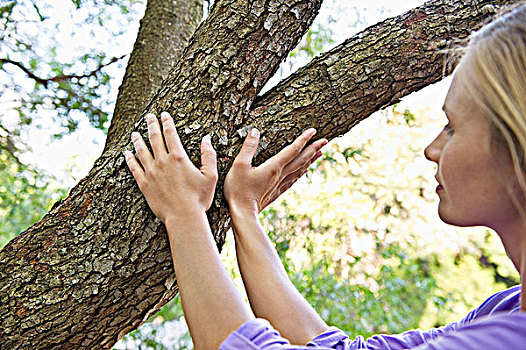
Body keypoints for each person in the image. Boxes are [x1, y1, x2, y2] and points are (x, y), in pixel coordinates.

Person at [124, 5, 526, 350]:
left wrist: (184, 216)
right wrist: (243, 211)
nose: (432, 149)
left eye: (452, 127)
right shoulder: (507, 308)